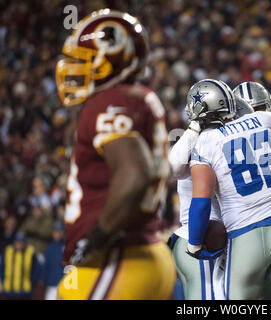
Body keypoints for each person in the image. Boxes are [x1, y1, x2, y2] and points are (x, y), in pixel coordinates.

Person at [54, 9, 176, 300]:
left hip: (120, 258)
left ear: (110, 59)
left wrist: (95, 238)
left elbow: (134, 175)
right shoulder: (137, 97)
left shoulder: (111, 100)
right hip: (144, 256)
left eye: (83, 60)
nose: (74, 68)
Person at [187, 79, 271, 300]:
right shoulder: (267, 120)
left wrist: (194, 244)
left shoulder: (206, 141)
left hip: (244, 237)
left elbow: (201, 202)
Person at [167, 79, 229, 300]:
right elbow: (173, 167)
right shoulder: (190, 140)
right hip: (200, 237)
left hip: (218, 238)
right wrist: (194, 128)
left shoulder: (226, 138)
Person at [0, 232, 41, 300]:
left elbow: (36, 269)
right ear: (14, 242)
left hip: (25, 290)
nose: (19, 244)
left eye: (21, 242)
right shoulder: (7, 251)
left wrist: (31, 282)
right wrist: (4, 280)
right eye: (17, 242)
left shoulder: (30, 252)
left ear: (25, 243)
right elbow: (2, 268)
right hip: (9, 290)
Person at [42, 221, 65, 300]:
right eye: (55, 232)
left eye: (59, 232)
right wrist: (45, 280)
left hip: (64, 285)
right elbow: (46, 266)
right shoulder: (49, 247)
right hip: (51, 285)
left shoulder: (66, 247)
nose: (57, 234)